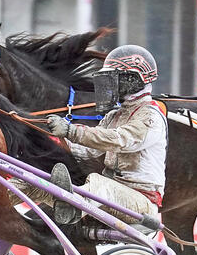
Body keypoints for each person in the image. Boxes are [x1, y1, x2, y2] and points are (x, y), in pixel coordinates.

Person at [17, 45, 168, 225]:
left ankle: (71, 210)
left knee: (98, 183)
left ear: (133, 79)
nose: (108, 86)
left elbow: (118, 140)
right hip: (109, 198)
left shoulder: (151, 115)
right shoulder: (114, 116)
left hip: (142, 202)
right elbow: (87, 152)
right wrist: (54, 138)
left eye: (113, 79)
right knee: (36, 182)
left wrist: (70, 131)